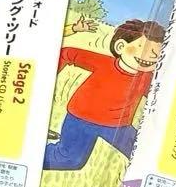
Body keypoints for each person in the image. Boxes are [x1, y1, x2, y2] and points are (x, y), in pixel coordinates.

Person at [42, 17, 165, 170]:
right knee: (70, 160)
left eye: (157, 52)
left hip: (118, 126)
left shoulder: (147, 79)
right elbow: (66, 53)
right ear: (120, 46)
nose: (152, 56)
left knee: (145, 155)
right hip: (80, 119)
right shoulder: (103, 62)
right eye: (144, 48)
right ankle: (31, 150)